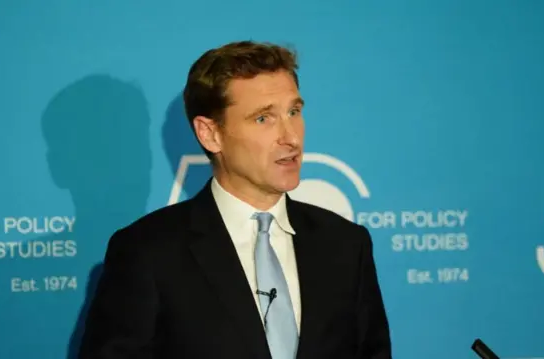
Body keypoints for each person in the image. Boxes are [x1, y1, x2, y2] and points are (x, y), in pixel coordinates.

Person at [77, 40, 392, 359]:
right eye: (263, 119)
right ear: (209, 134)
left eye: (294, 112)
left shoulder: (347, 245)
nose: (291, 137)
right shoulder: (147, 253)